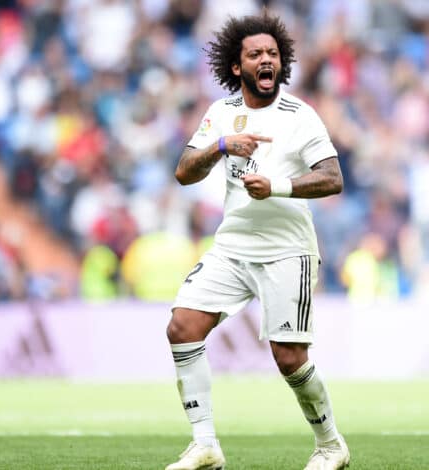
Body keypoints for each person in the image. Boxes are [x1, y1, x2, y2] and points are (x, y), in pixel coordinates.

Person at [164, 12, 350, 470]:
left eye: (273, 54)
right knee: (182, 327)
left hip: (287, 249)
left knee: (289, 357)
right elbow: (184, 172)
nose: (267, 60)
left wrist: (278, 186)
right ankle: (205, 445)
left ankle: (331, 445)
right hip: (233, 246)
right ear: (237, 66)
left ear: (281, 64)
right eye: (255, 54)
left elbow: (333, 178)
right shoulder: (221, 114)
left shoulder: (299, 115)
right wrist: (221, 146)